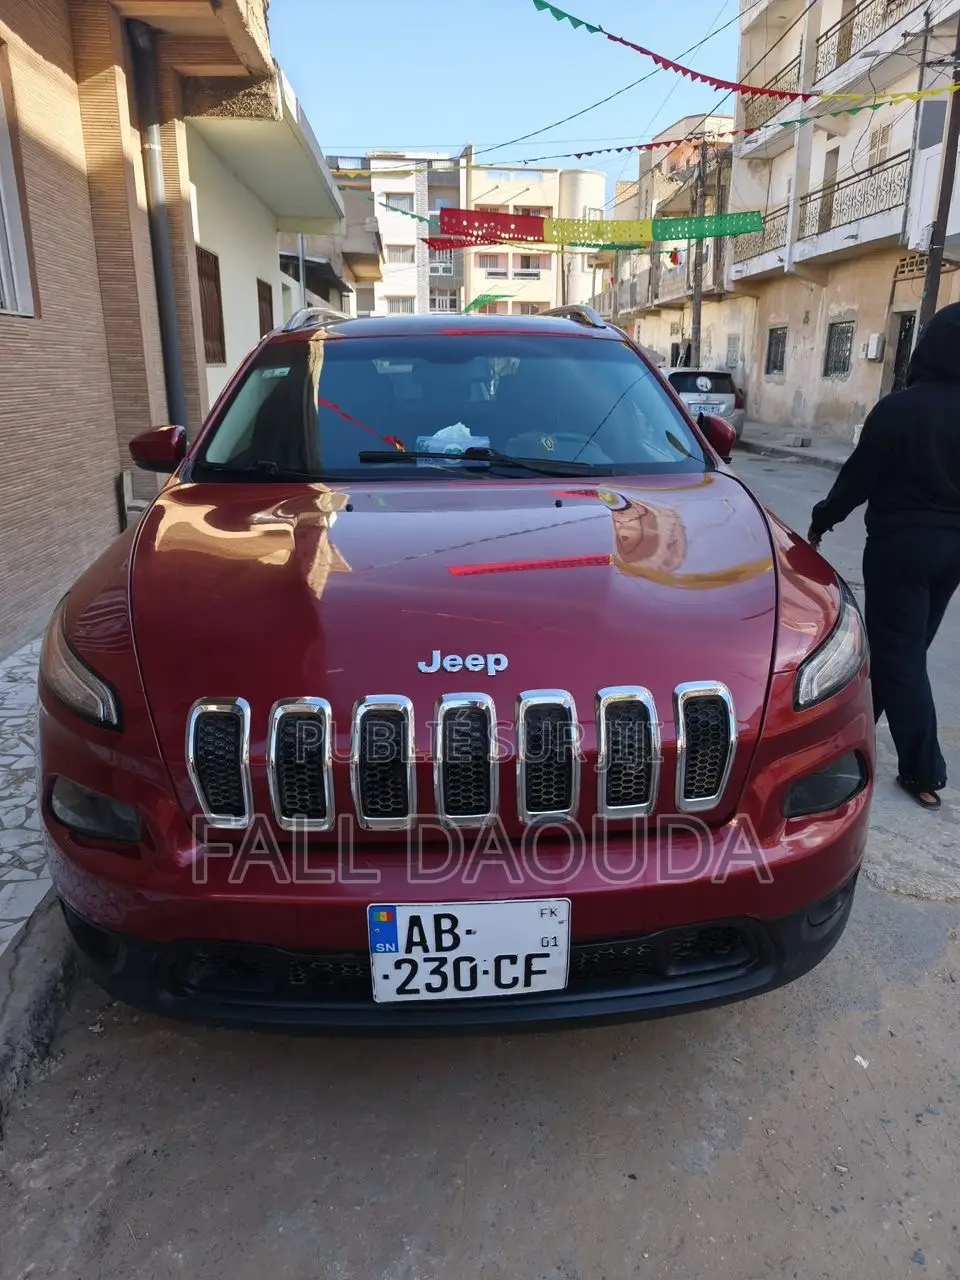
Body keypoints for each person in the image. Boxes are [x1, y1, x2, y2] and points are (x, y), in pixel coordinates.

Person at [807, 301, 960, 811]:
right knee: (904, 652)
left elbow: (858, 478)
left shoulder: (898, 409)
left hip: (901, 548)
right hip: (951, 552)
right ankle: (856, 733)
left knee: (900, 656)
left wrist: (824, 518)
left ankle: (923, 768)